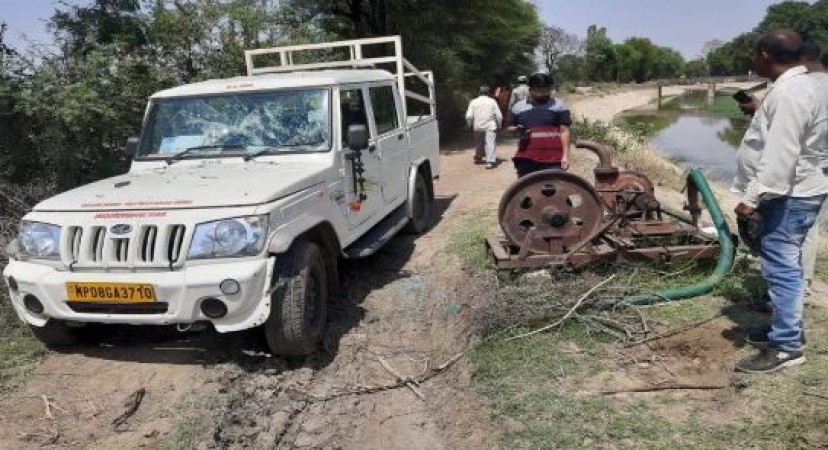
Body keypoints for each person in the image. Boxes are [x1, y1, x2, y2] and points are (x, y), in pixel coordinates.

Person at [732, 30, 828, 373]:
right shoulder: (810, 84)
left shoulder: (789, 91)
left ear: (764, 55)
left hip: (790, 193)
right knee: (787, 265)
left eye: (754, 55)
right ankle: (787, 330)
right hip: (807, 186)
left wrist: (753, 198)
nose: (752, 60)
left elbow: (782, 153)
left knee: (783, 269)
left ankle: (787, 347)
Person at [799, 39, 828, 294]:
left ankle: (801, 283)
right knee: (815, 222)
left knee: (805, 225)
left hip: (812, 165)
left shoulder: (806, 87)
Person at [507, 73, 572, 177]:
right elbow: (509, 128)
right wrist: (517, 130)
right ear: (531, 90)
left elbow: (564, 131)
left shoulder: (560, 106)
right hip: (526, 158)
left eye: (547, 90)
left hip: (554, 159)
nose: (545, 93)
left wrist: (565, 156)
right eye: (540, 91)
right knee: (527, 189)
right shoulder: (518, 107)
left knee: (555, 189)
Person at [465, 85, 502, 169]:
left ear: (479, 93)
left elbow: (469, 116)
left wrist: (469, 125)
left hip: (477, 126)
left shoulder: (473, 102)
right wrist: (499, 125)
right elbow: (499, 116)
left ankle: (478, 157)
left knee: (479, 143)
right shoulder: (492, 101)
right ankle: (490, 162)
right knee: (490, 143)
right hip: (490, 126)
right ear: (488, 93)